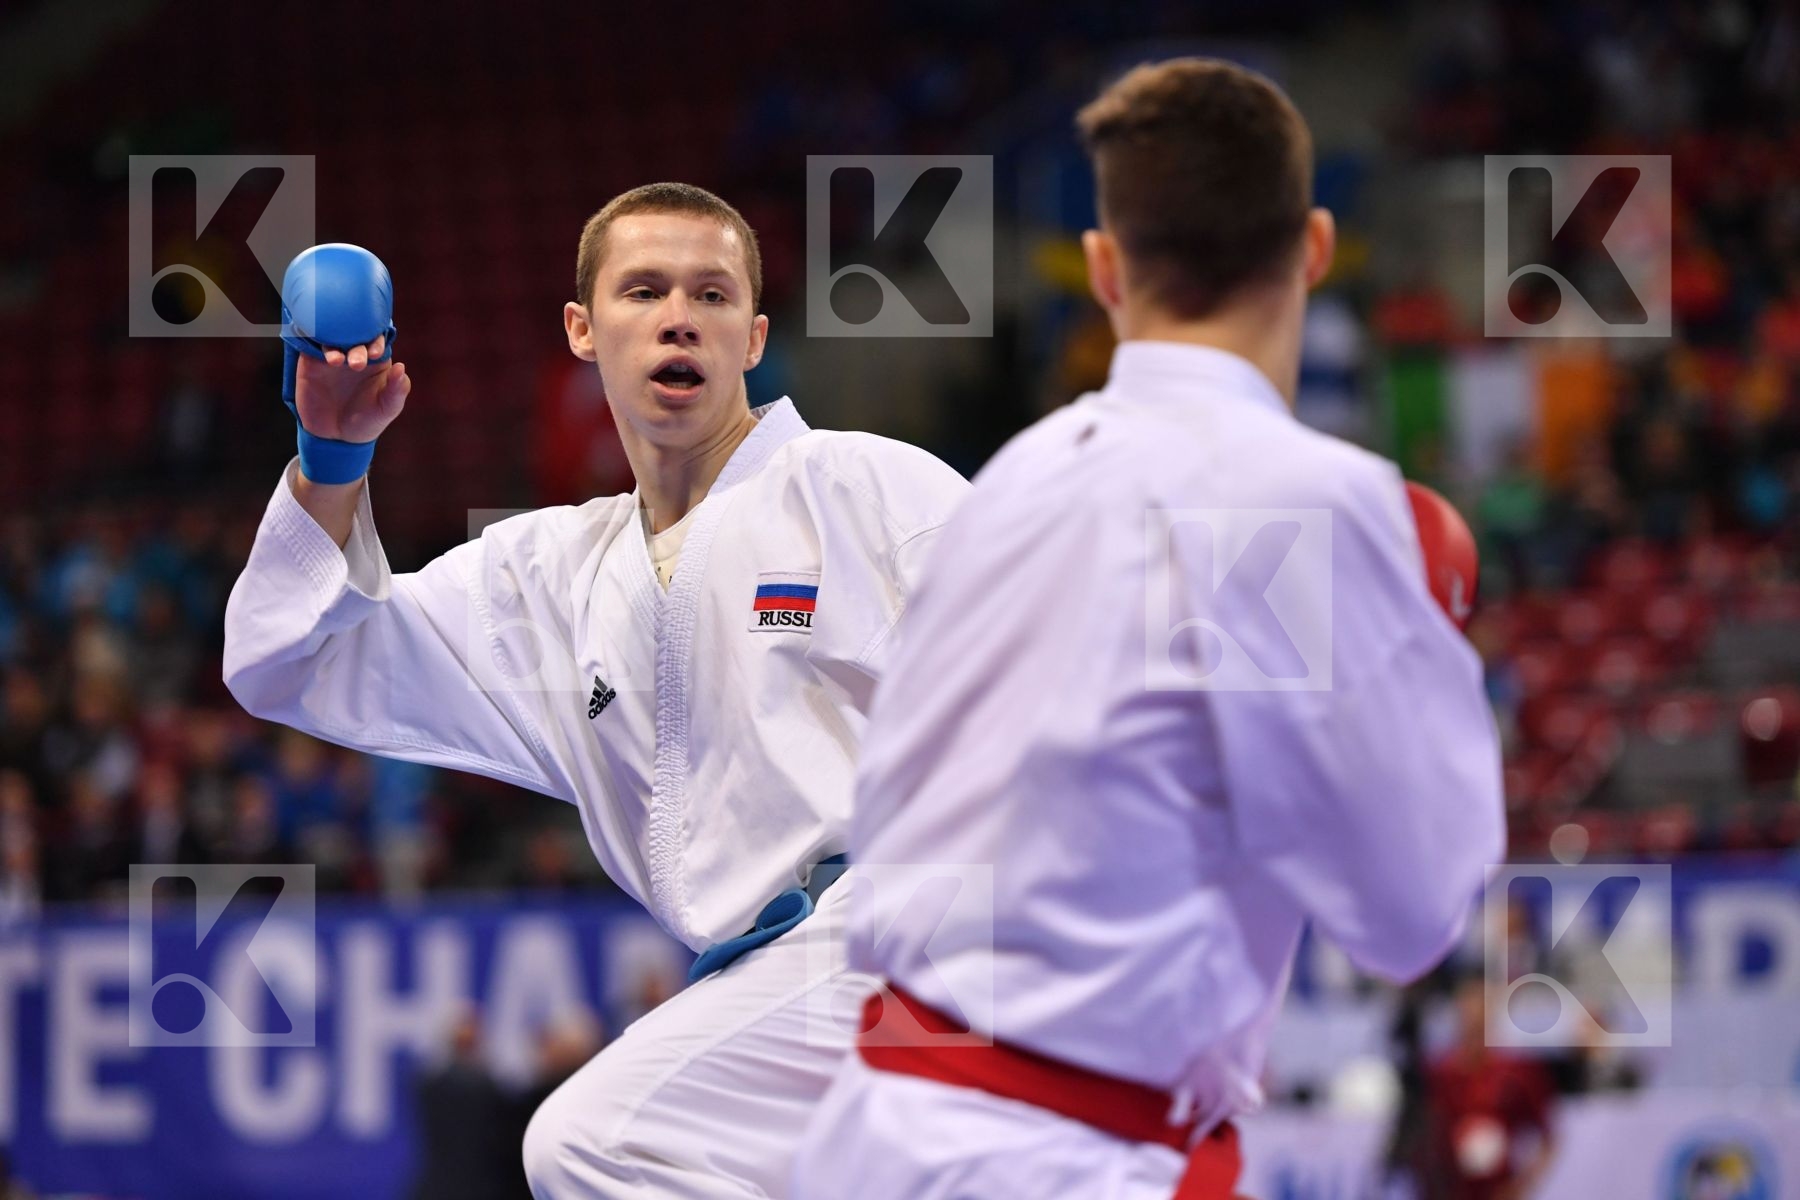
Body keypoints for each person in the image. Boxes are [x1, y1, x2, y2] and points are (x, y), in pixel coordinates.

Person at [792, 59, 1505, 1199]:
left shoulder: (1007, 486)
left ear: (1103, 266)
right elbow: (1408, 914)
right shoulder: (1295, 504)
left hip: (874, 1129)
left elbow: (900, 799)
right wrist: (1425, 663)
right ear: (1316, 247)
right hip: (1067, 1154)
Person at [223, 182, 970, 1197]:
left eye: (712, 295)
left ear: (753, 338)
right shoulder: (547, 579)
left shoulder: (864, 486)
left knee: (594, 1142)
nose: (679, 317)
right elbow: (288, 660)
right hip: (779, 996)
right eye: (645, 290)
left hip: (921, 924)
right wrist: (332, 459)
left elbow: (1056, 669)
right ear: (582, 328)